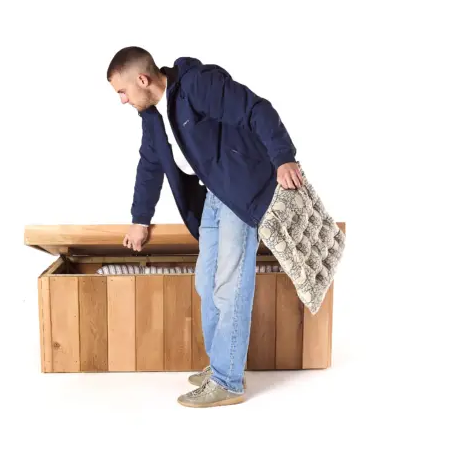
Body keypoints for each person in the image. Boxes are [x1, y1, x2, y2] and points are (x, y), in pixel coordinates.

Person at [106, 47, 303, 408]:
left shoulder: (197, 85)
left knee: (230, 285)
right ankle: (221, 366)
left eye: (122, 91)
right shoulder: (152, 117)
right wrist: (139, 219)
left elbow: (256, 109)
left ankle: (228, 382)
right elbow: (150, 164)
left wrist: (283, 157)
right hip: (213, 196)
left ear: (142, 80)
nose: (122, 100)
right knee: (206, 282)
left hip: (241, 191)